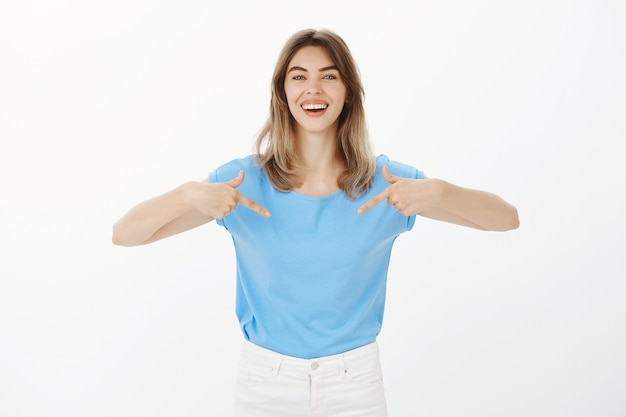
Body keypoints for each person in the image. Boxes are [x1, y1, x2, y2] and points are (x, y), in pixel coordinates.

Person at [112, 28, 519, 417]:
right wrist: (186, 195)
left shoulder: (388, 184)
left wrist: (441, 192)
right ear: (282, 92)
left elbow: (506, 219)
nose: (313, 89)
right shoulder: (241, 183)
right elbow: (125, 234)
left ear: (348, 94)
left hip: (355, 384)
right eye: (299, 76)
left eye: (329, 76)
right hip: (265, 384)